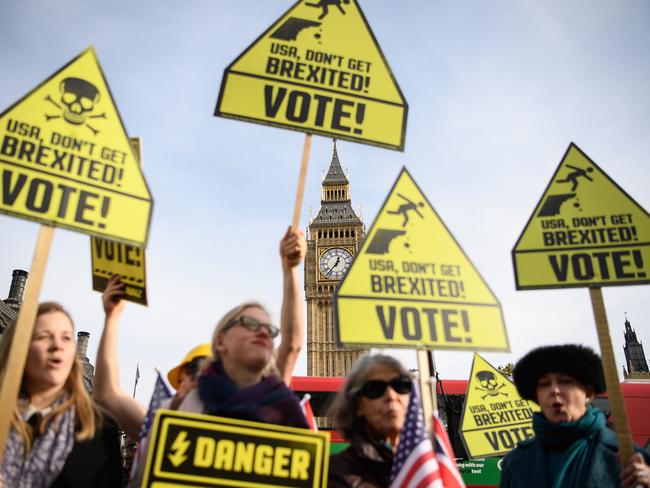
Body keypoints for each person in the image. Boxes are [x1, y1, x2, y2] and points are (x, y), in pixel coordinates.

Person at [0, 302, 122, 488]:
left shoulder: (98, 432)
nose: (57, 345)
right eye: (44, 337)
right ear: (18, 347)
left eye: (66, 338)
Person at [500, 344, 650, 488]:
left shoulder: (627, 455)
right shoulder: (515, 462)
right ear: (537, 397)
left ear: (589, 393)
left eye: (565, 381)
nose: (554, 391)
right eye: (544, 384)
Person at [327, 354, 413, 487]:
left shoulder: (429, 464)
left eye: (401, 385)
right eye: (375, 388)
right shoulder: (334, 472)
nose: (391, 395)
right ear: (358, 405)